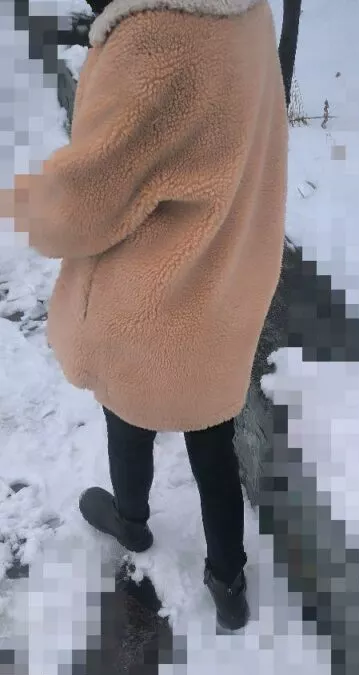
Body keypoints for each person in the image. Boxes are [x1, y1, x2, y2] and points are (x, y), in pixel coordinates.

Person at [2, 0, 288, 630]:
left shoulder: (155, 37)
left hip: (152, 295)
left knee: (127, 415)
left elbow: (82, 204)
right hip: (228, 272)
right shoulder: (246, 13)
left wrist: (20, 204)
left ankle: (131, 522)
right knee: (211, 435)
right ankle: (228, 581)